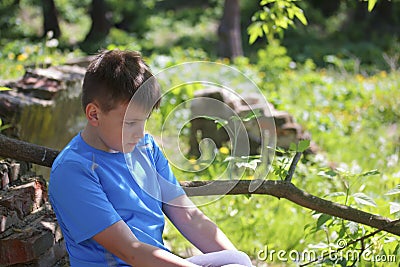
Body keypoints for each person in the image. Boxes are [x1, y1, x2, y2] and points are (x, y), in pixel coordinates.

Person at [49, 49, 253, 267]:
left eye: (144, 121)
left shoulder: (145, 148)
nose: (140, 133)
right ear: (94, 114)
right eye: (130, 123)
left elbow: (189, 217)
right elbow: (131, 252)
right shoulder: (72, 170)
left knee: (237, 259)